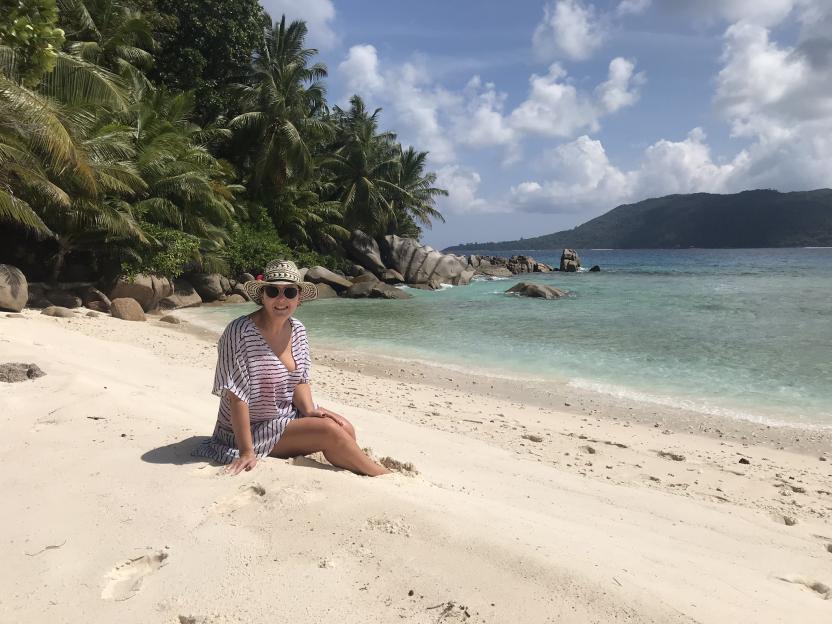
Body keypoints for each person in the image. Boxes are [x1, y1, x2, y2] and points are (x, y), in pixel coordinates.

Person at [193, 259, 390, 477]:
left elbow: (300, 379)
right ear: (262, 295)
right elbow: (236, 396)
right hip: (249, 430)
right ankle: (381, 475)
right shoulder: (239, 332)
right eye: (273, 291)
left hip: (284, 415)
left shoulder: (298, 330)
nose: (281, 299)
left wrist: (310, 410)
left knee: (345, 428)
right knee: (329, 432)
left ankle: (355, 465)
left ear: (298, 298)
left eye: (289, 292)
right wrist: (246, 451)